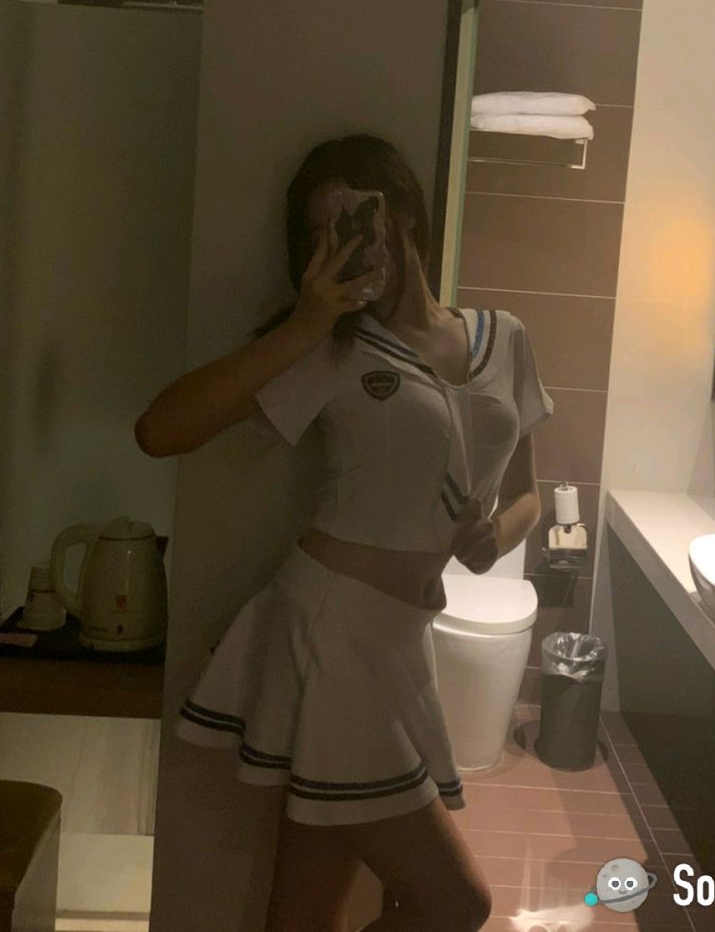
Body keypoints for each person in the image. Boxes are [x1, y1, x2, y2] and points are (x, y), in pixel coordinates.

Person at [134, 132, 554, 932]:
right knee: (456, 905)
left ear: (405, 213)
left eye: (359, 217)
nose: (347, 242)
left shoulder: (506, 337)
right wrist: (305, 322)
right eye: (323, 233)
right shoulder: (331, 347)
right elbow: (161, 431)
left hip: (400, 642)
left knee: (302, 917)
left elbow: (530, 494)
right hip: (334, 636)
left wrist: (496, 536)